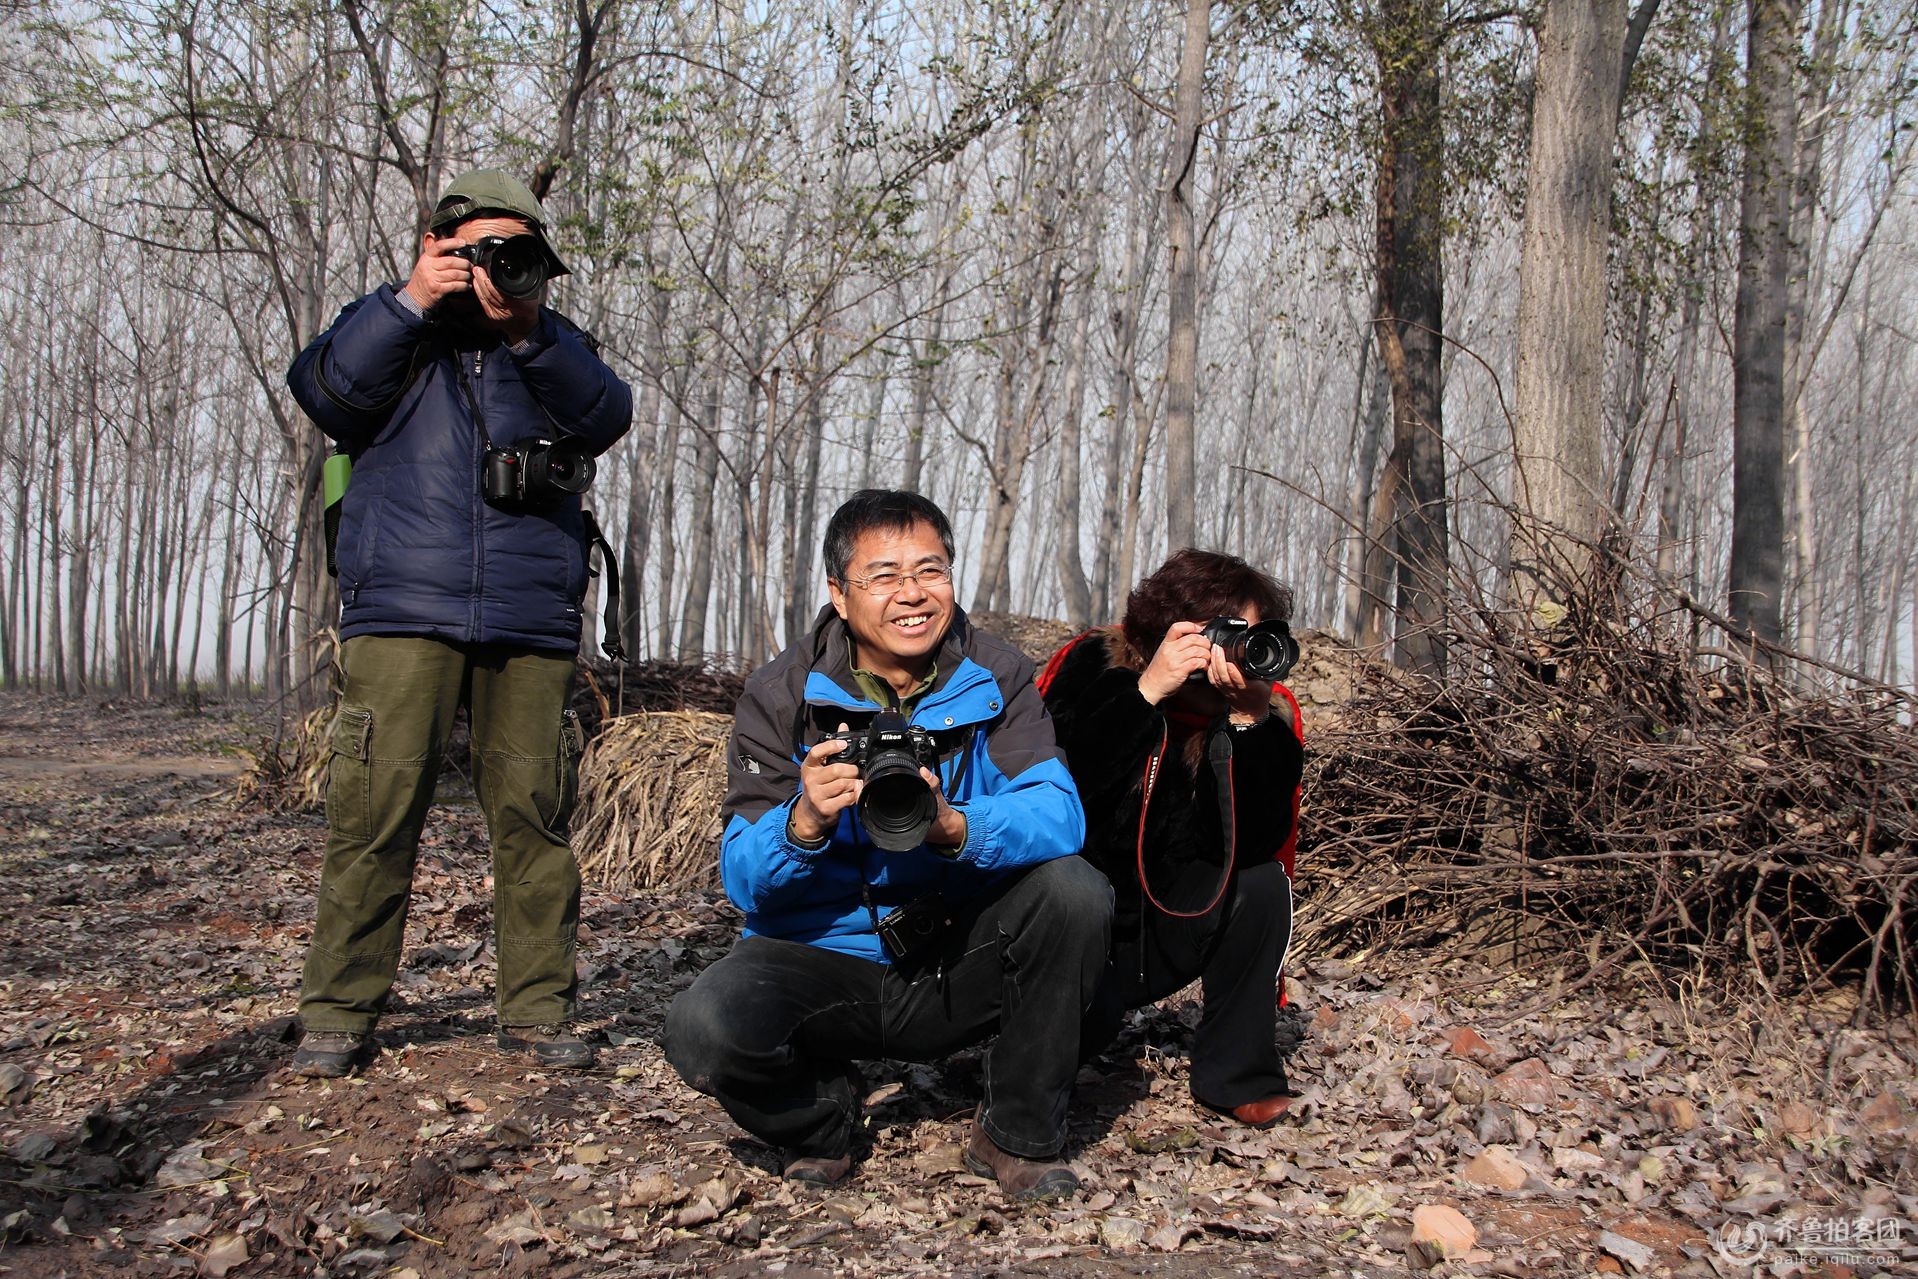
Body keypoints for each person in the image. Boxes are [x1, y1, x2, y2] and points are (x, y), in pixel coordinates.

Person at [286, 169, 633, 1077]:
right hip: (403, 606)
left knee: (535, 816)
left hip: (527, 615)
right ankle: (337, 1011)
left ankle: (538, 1008)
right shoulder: (387, 326)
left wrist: (529, 332)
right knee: (375, 810)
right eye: (475, 249)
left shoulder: (551, 342)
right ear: (436, 248)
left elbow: (606, 415)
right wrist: (408, 302)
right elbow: (326, 394)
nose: (494, 268)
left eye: (514, 252)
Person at [665, 490, 1108, 1200]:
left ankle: (1016, 1134)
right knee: (703, 1024)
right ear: (840, 594)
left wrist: (956, 827)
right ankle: (820, 1121)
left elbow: (1060, 815)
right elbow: (743, 882)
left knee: (1075, 891)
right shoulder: (783, 694)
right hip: (820, 956)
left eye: (930, 571)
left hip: (952, 952)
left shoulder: (997, 677)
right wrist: (803, 822)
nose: (913, 594)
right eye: (885, 575)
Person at [1037, 548, 1304, 1127]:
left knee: (1260, 885)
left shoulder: (1266, 713)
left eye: (1254, 637)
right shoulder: (1093, 667)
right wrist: (1146, 694)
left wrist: (1247, 724)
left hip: (1174, 920)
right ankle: (1024, 1082)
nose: (1238, 651)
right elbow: (1052, 800)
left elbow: (1256, 844)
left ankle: (1238, 1077)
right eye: (1227, 634)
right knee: (1079, 1032)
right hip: (1080, 925)